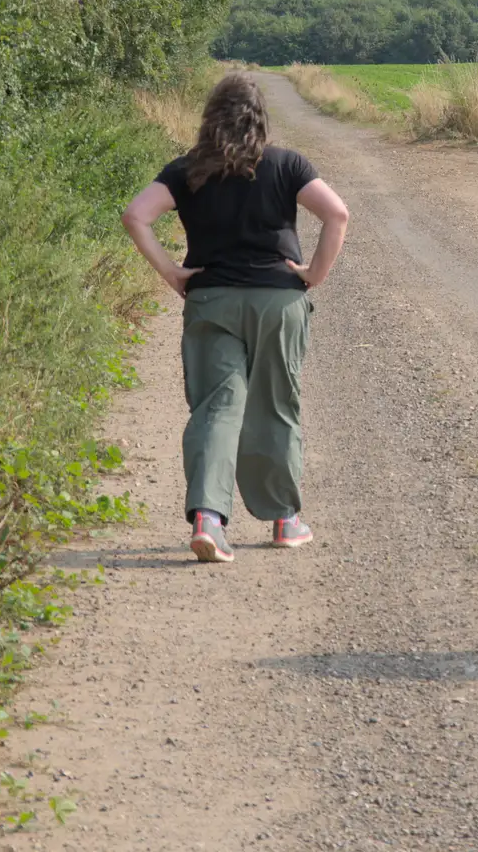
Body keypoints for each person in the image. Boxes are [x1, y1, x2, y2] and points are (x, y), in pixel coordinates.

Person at [122, 74, 349, 563]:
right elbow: (337, 214)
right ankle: (284, 521)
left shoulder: (186, 172)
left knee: (216, 409)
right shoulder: (288, 165)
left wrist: (171, 272)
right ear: (260, 119)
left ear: (210, 119)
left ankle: (208, 518)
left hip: (212, 302)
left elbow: (135, 215)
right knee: (275, 405)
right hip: (278, 301)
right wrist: (314, 273)